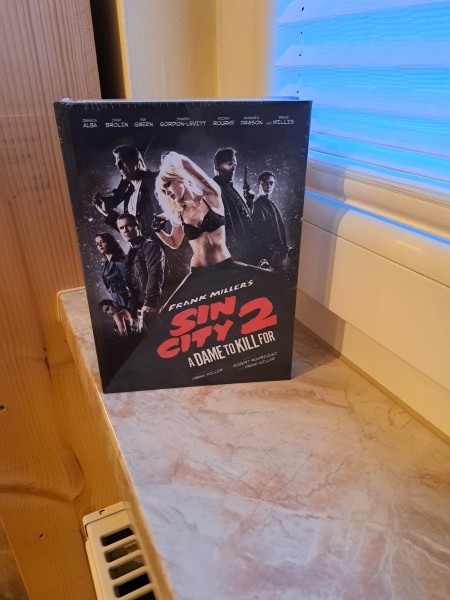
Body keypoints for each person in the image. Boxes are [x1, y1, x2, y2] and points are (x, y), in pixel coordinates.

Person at [93, 145, 160, 238]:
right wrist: (107, 213)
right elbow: (130, 230)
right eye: (117, 165)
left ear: (135, 161)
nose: (119, 168)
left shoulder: (156, 182)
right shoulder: (129, 195)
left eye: (122, 162)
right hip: (146, 247)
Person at [116, 213, 165, 327]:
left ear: (138, 226)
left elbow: (155, 273)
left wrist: (150, 303)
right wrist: (134, 312)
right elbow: (132, 286)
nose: (125, 230)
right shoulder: (130, 255)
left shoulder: (149, 246)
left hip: (155, 306)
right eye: (121, 228)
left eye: (129, 225)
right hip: (143, 310)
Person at [212, 148, 257, 264]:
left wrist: (249, 203)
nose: (233, 169)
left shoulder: (228, 188)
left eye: (234, 165)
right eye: (229, 164)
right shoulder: (215, 190)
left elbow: (243, 221)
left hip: (244, 256)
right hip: (235, 259)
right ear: (217, 166)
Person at [252, 171, 288, 271]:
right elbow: (258, 235)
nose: (269, 186)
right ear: (258, 184)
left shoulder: (272, 205)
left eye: (271, 183)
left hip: (277, 255)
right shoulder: (256, 206)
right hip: (267, 256)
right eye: (265, 183)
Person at [95, 231, 133, 310]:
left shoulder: (120, 261)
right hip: (116, 300)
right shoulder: (105, 267)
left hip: (127, 300)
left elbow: (132, 284)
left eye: (102, 242)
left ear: (109, 242)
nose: (99, 245)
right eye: (97, 243)